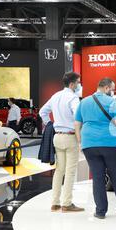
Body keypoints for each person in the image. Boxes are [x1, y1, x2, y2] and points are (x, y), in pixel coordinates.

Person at [75, 78, 116, 219]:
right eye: (112, 89)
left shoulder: (83, 102)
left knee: (97, 178)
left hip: (89, 144)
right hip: (111, 144)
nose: (113, 92)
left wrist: (80, 143)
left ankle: (100, 211)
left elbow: (77, 124)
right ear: (107, 88)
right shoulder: (111, 102)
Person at [39, 72, 84, 213]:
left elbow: (42, 112)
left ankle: (55, 203)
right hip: (70, 137)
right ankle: (67, 203)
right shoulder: (73, 98)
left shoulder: (55, 96)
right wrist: (80, 136)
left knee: (59, 170)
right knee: (70, 172)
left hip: (57, 137)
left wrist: (50, 124)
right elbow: (79, 116)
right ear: (72, 84)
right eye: (78, 82)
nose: (79, 85)